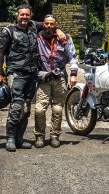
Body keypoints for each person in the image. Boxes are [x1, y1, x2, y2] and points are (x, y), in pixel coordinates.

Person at [0, 4, 65, 152]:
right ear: (17, 16)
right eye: (22, 14)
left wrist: (58, 30)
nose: (24, 17)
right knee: (16, 105)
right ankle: (10, 138)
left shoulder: (33, 26)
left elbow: (49, 25)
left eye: (27, 14)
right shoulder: (9, 31)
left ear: (30, 16)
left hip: (32, 74)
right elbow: (0, 53)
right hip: (16, 73)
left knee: (26, 108)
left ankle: (19, 138)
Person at [33, 14, 78, 148]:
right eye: (46, 23)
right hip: (44, 78)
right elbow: (27, 23)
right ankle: (39, 136)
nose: (49, 26)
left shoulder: (64, 38)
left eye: (52, 24)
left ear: (56, 24)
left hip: (60, 78)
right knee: (39, 109)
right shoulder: (37, 38)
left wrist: (73, 74)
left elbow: (73, 57)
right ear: (43, 24)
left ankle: (55, 136)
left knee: (57, 109)